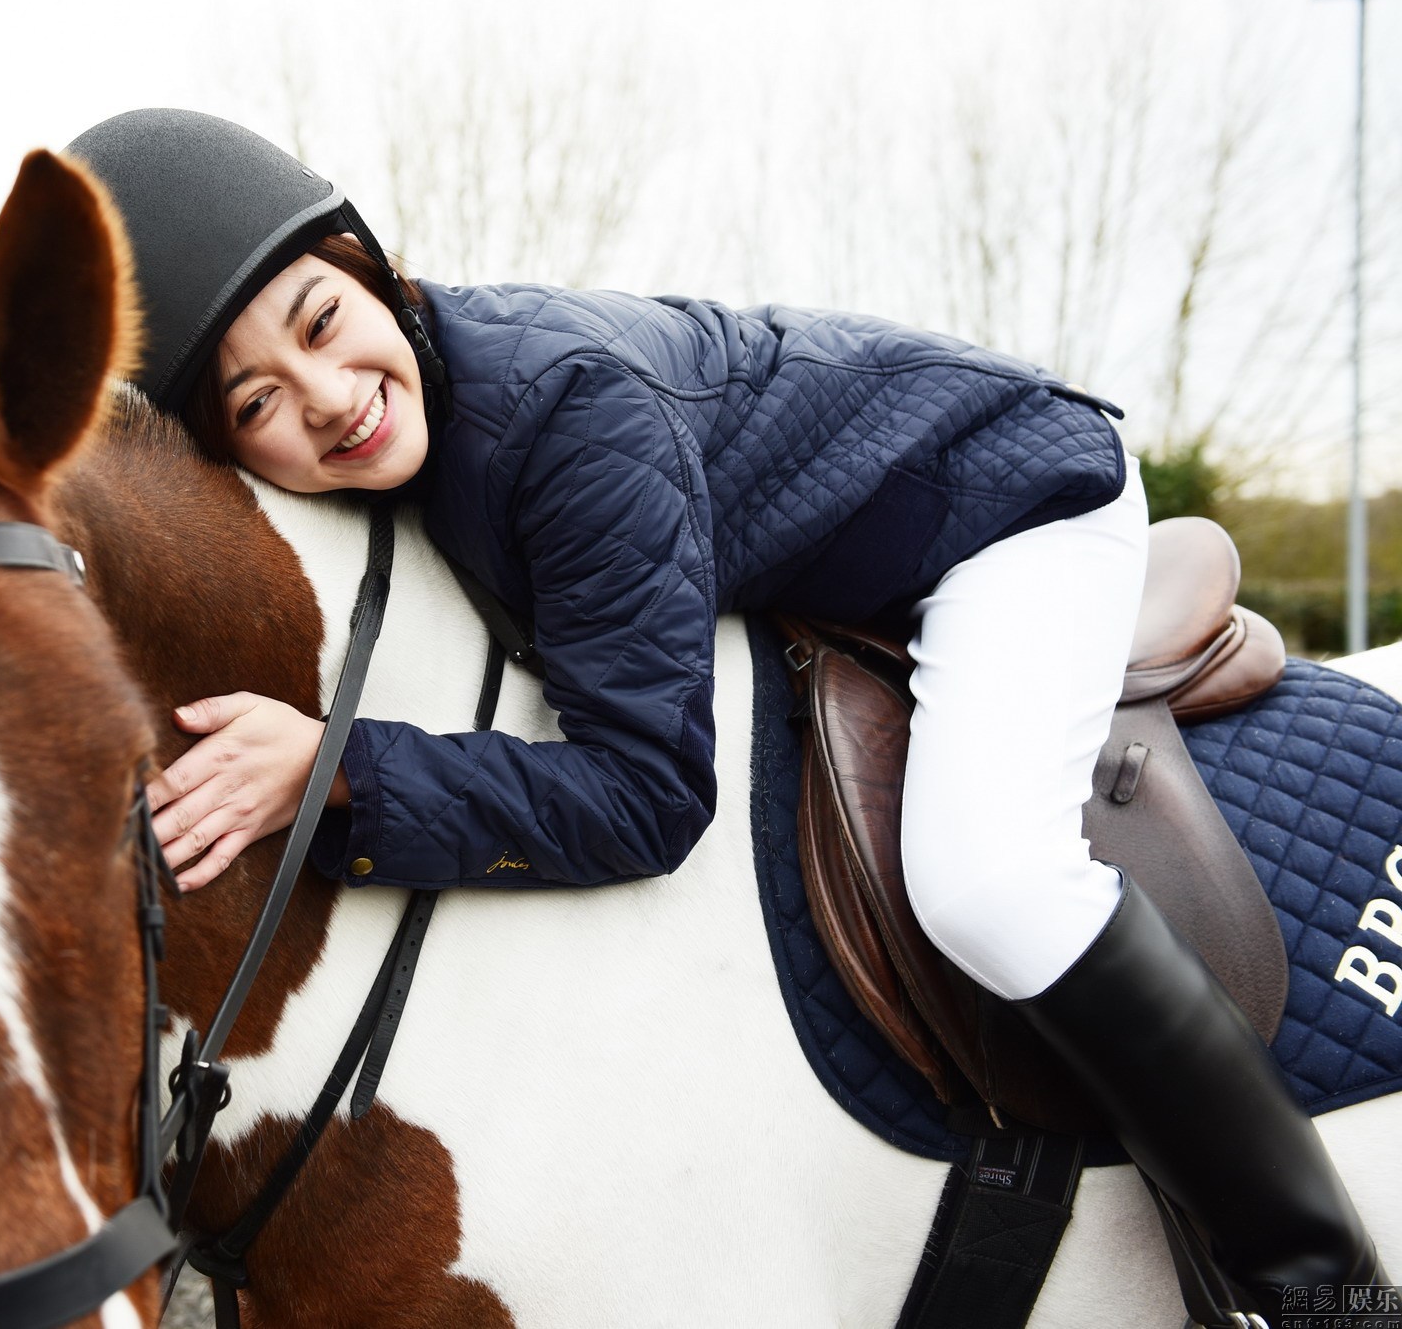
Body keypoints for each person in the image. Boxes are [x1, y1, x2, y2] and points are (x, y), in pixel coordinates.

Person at [67, 108, 1384, 1311]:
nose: (328, 398)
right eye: (257, 404)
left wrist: (339, 769)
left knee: (991, 878)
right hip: (857, 548)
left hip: (1008, 513)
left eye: (316, 324)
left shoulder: (561, 410)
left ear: (365, 266)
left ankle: (1318, 1278)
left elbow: (646, 797)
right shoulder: (416, 412)